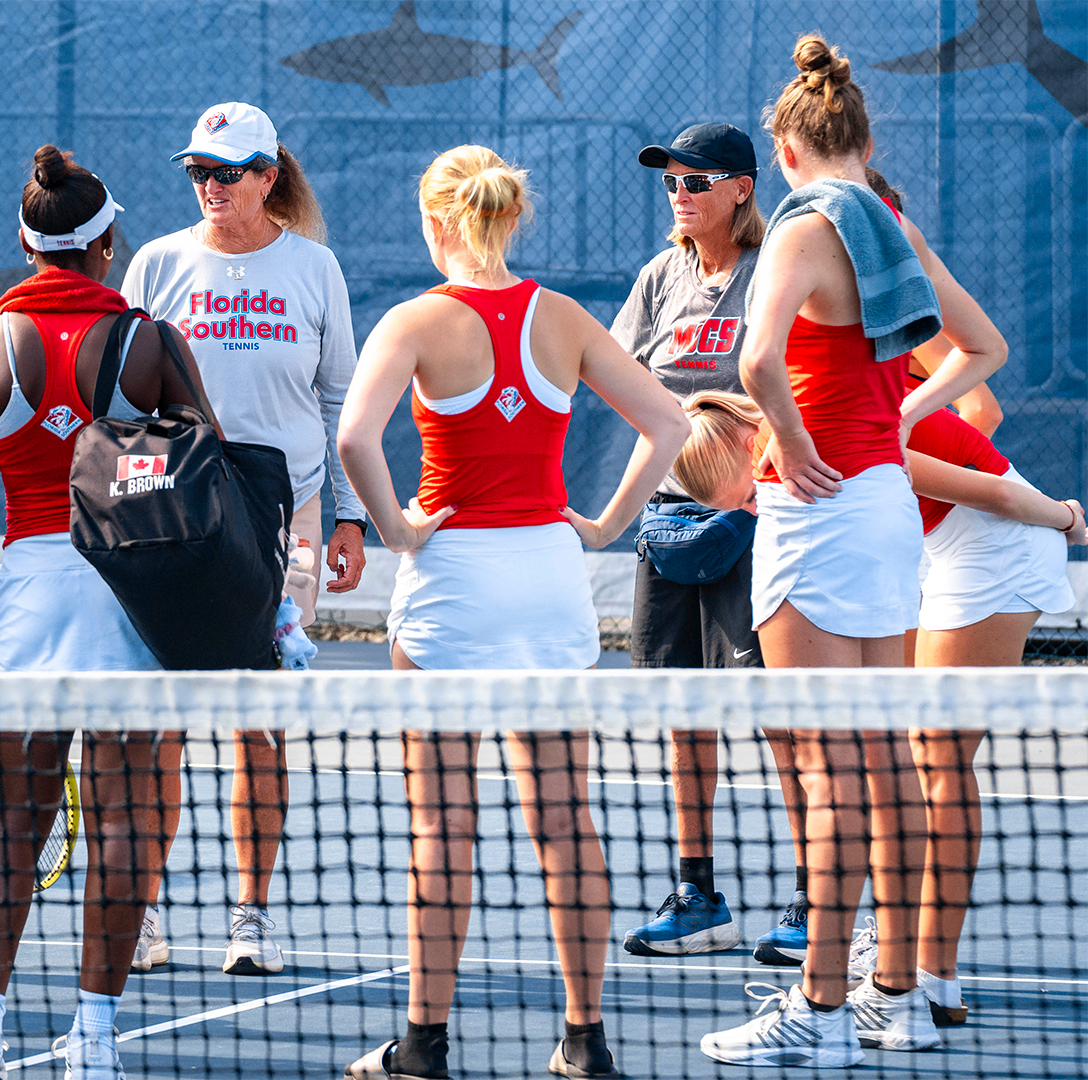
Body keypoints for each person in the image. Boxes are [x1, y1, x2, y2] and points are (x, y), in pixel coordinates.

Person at [335, 144, 689, 1080]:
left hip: (451, 582)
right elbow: (673, 425)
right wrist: (608, 523)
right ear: (509, 218)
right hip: (547, 578)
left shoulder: (415, 320)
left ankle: (422, 1045)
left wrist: (398, 530)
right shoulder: (563, 318)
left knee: (440, 826)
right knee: (566, 819)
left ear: (437, 221)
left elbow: (352, 436)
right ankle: (584, 1042)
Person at [697, 34, 1006, 1067]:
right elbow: (986, 349)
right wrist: (899, 419)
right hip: (881, 506)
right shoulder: (890, 225)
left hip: (819, 510)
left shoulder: (799, 227)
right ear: (865, 142)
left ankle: (821, 1016)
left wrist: (785, 438)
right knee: (882, 772)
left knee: (834, 778)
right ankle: (898, 1001)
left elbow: (753, 359)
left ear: (784, 154)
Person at [673, 390, 1087, 1031]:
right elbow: (979, 420)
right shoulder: (804, 439)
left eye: (752, 495)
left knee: (937, 756)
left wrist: (1065, 518)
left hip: (998, 551)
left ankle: (931, 980)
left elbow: (1001, 495)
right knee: (910, 757)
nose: (761, 506)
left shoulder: (843, 432)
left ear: (745, 443)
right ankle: (906, 953)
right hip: (941, 551)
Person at [0, 146, 217, 1080]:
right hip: (130, 594)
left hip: (31, 598)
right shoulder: (149, 343)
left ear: (26, 243)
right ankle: (94, 1040)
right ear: (106, 244)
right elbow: (208, 476)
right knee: (127, 818)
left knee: (15, 819)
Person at [121, 100, 366, 975]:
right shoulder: (154, 263)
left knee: (259, 723)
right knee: (158, 725)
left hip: (284, 520)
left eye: (229, 172)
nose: (212, 187)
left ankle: (250, 915)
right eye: (198, 171)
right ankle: (142, 914)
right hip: (174, 523)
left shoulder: (315, 268)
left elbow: (339, 404)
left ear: (269, 175)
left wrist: (345, 515)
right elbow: (120, 403)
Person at [608, 122, 811, 964]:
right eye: (671, 183)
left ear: (742, 188)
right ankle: (698, 893)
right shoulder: (660, 277)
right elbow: (617, 375)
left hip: (759, 520)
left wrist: (738, 450)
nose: (680, 194)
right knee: (682, 712)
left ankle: (812, 898)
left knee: (776, 715)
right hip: (669, 521)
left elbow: (801, 384)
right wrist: (679, 445)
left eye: (697, 181)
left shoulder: (775, 272)